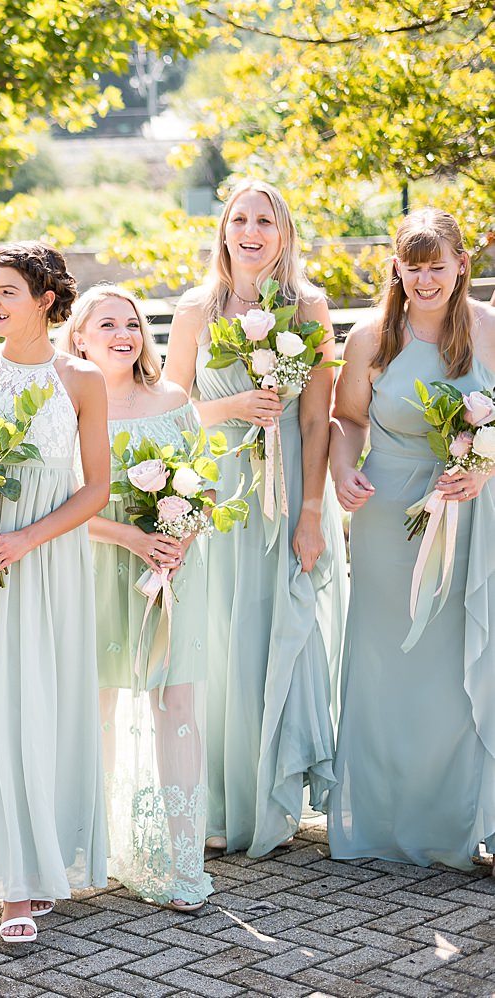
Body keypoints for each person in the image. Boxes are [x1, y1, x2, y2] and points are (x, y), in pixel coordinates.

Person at [161, 179, 346, 857]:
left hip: (287, 488)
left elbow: (316, 419)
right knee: (219, 637)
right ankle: (218, 799)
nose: (251, 230)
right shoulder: (195, 311)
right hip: (217, 493)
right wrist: (233, 410)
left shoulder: (310, 307)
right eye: (240, 218)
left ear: (283, 232)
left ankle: (272, 792)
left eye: (264, 219)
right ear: (224, 231)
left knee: (277, 632)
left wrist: (309, 514)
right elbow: (170, 410)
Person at [0, 243, 109, 944]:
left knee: (47, 700)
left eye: (8, 291)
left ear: (46, 299)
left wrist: (27, 539)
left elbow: (96, 487)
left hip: (48, 556)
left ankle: (46, 860)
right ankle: (12, 879)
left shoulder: (83, 379)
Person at [328, 209, 495, 866]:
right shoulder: (372, 337)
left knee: (460, 666)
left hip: (470, 511)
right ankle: (384, 821)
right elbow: (345, 419)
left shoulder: (486, 327)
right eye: (413, 267)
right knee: (388, 662)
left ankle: (466, 818)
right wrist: (342, 471)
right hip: (386, 514)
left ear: (460, 265)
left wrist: (483, 466)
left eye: (437, 266)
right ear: (397, 268)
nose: (425, 279)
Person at [62, 285, 212, 911]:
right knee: (94, 707)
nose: (123, 334)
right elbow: (59, 502)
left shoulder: (174, 399)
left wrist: (182, 531)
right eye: (106, 325)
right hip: (97, 563)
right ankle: (87, 853)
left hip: (172, 572)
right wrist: (129, 535)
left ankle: (178, 861)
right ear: (79, 338)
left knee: (175, 705)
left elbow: (202, 480)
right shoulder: (68, 403)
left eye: (132, 323)